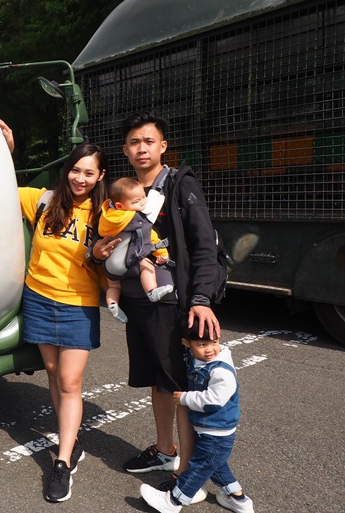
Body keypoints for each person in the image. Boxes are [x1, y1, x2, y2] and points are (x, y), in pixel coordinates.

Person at [0, 117, 117, 503]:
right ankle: (72, 440)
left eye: (89, 173)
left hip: (79, 305)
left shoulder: (107, 215)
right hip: (39, 297)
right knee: (51, 373)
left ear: (101, 176)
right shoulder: (44, 201)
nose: (81, 178)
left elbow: (124, 259)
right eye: (76, 170)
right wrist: (7, 150)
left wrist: (98, 255)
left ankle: (63, 461)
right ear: (67, 171)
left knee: (69, 382)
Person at [116, 112, 221, 498]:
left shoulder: (178, 183)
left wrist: (201, 298)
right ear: (125, 150)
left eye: (148, 141)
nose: (140, 148)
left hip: (172, 299)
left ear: (162, 146)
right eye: (133, 142)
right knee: (159, 382)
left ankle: (189, 476)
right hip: (136, 300)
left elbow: (203, 242)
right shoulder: (121, 191)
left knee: (179, 386)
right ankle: (165, 450)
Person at [140, 327, 254, 513]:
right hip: (211, 430)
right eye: (202, 345)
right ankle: (237, 498)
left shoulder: (221, 371)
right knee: (214, 464)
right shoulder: (201, 361)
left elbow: (214, 400)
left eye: (214, 343)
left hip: (216, 433)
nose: (210, 349)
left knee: (200, 466)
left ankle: (174, 501)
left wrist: (185, 398)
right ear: (187, 344)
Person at [98, 176, 174, 324]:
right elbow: (151, 238)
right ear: (120, 206)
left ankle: (112, 304)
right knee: (146, 264)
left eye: (144, 197)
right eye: (136, 201)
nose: (143, 202)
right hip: (131, 261)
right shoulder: (136, 218)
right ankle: (152, 291)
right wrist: (162, 253)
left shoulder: (107, 215)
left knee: (114, 286)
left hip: (110, 264)